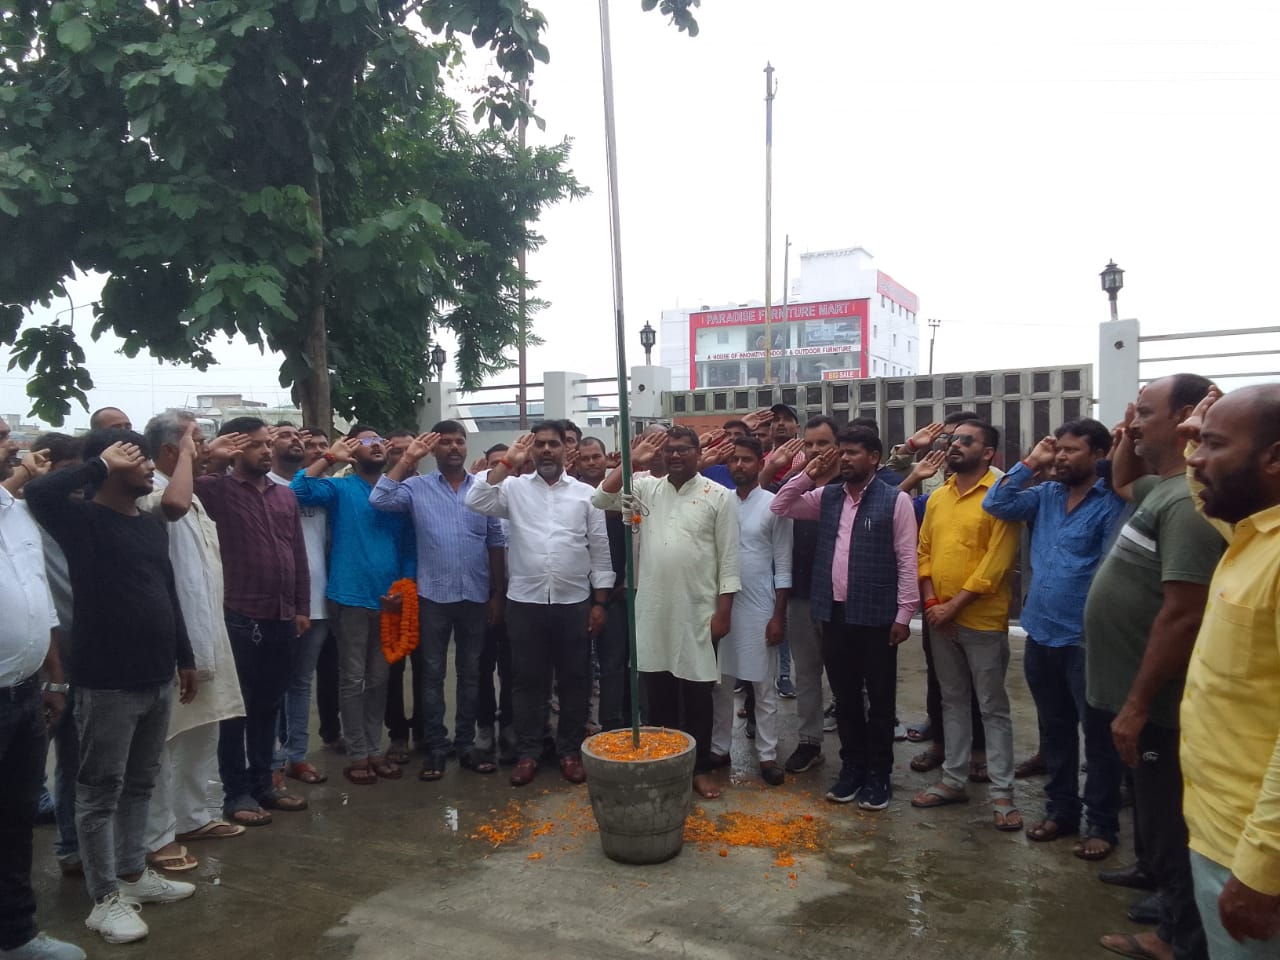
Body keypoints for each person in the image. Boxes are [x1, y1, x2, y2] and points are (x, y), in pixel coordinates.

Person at [26, 431, 198, 945]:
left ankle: (132, 872)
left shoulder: (148, 524)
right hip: (107, 682)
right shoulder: (81, 521)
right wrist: (99, 463)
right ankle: (104, 899)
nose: (149, 470)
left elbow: (167, 590)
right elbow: (40, 493)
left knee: (140, 783)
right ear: (111, 465)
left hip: (156, 675)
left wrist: (185, 656)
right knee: (100, 792)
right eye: (137, 460)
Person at [1089, 374, 1222, 960]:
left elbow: (1183, 613)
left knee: (1170, 819)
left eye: (1146, 412)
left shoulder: (1190, 506)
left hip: (1159, 706)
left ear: (1186, 415)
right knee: (1152, 808)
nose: (1133, 422)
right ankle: (1164, 895)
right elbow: (1120, 480)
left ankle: (1177, 938)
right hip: (1133, 697)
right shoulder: (1163, 488)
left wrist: (1139, 702)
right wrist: (1129, 432)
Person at [982, 419, 1127, 857]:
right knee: (1055, 731)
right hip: (1041, 632)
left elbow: (1110, 568)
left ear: (1098, 455)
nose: (1061, 457)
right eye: (1057, 449)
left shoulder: (1113, 502)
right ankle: (1061, 811)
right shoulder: (1045, 495)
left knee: (1098, 739)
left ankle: (1101, 824)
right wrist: (1030, 462)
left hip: (1086, 640)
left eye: (1071, 450)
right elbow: (997, 502)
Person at [1179, 384, 1280, 958]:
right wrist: (1198, 442)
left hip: (1253, 854)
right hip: (1218, 829)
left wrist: (1262, 869)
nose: (1195, 458)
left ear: (1274, 458)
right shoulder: (1252, 535)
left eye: (1214, 445)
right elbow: (1207, 498)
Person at [772, 426, 918, 809]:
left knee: (880, 700)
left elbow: (907, 559)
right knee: (846, 697)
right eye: (843, 452)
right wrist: (807, 474)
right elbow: (781, 505)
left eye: (853, 452)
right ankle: (852, 767)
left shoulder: (895, 501)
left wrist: (904, 614)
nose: (845, 458)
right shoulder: (828, 496)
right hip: (833, 612)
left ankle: (879, 774)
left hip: (876, 615)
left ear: (874, 457)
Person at [594, 426, 740, 800]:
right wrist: (631, 460)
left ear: (698, 453)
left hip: (698, 611)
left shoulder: (719, 495)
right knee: (658, 695)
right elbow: (600, 498)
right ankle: (666, 764)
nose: (675, 455)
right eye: (669, 450)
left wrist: (723, 613)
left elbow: (729, 560)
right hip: (653, 610)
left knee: (697, 695)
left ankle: (700, 768)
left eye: (683, 449)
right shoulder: (645, 489)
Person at [467, 422, 613, 787]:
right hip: (525, 602)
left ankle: (569, 751)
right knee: (527, 681)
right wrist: (508, 461)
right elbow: (475, 500)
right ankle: (528, 752)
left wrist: (600, 602)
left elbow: (600, 550)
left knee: (575, 681)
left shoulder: (585, 494)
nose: (547, 450)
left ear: (566, 450)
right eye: (540, 445)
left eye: (554, 444)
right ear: (532, 451)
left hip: (573, 602)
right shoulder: (513, 489)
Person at [137, 415, 247, 872]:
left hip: (207, 632)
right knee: (163, 741)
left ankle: (193, 817)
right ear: (170, 450)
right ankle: (157, 836)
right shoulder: (151, 492)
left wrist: (200, 457)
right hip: (172, 637)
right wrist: (190, 454)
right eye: (196, 442)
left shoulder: (192, 490)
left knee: (205, 728)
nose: (205, 449)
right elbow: (173, 505)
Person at [369, 421, 503, 780]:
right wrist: (408, 458)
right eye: (445, 442)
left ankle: (465, 744)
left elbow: (495, 542)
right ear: (434, 449)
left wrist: (496, 594)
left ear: (467, 447)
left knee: (471, 673)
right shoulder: (416, 488)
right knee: (431, 674)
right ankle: (436, 748)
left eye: (459, 441)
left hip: (476, 595)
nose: (454, 447)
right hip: (433, 596)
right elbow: (379, 499)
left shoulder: (483, 489)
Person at [196, 417, 310, 827]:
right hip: (239, 615)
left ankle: (265, 784)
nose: (266, 450)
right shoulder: (215, 490)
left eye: (267, 444)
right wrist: (213, 459)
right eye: (256, 445)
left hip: (282, 616)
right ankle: (237, 793)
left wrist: (301, 606)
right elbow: (183, 490)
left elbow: (297, 553)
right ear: (235, 448)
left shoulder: (284, 496)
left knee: (268, 706)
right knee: (235, 711)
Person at [910, 420, 1023, 831]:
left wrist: (954, 606)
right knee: (952, 700)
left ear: (988, 452)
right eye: (952, 439)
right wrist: (931, 603)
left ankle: (1002, 794)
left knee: (992, 707)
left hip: (981, 620)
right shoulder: (939, 496)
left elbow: (997, 562)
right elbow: (923, 551)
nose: (954, 445)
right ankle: (953, 781)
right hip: (939, 618)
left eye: (965, 440)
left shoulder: (1002, 495)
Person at [0, 429, 85, 960]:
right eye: (0, 435)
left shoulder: (17, 514)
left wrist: (53, 676)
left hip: (26, 690)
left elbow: (39, 600)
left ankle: (15, 935)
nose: (11, 441)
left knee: (14, 825)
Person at [293, 426, 413, 785]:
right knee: (353, 677)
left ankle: (375, 749)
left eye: (379, 441)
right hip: (349, 596)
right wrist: (330, 457)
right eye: (365, 441)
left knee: (380, 678)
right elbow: (299, 490)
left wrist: (405, 587)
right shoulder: (340, 488)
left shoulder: (398, 494)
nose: (375, 445)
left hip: (389, 599)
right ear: (352, 451)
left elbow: (409, 546)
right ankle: (358, 752)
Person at [710, 437, 792, 785]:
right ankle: (719, 748)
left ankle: (767, 754)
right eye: (734, 460)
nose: (739, 465)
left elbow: (783, 566)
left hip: (761, 606)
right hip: (722, 605)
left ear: (761, 463)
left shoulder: (775, 505)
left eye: (746, 459)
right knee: (720, 683)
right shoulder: (719, 502)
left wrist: (778, 616)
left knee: (763, 685)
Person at [267, 423, 330, 786]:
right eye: (289, 437)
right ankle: (271, 759)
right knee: (272, 683)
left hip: (317, 600)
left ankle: (297, 757)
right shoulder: (266, 485)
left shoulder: (321, 488)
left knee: (301, 683)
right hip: (278, 602)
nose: (299, 444)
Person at [575, 437, 631, 734]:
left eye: (596, 456)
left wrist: (626, 579)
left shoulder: (623, 492)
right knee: (576, 663)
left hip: (616, 592)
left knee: (614, 662)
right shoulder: (571, 494)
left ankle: (612, 726)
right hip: (577, 592)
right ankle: (580, 722)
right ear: (577, 462)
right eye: (585, 458)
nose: (592, 462)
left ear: (606, 459)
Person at [474, 443, 516, 762]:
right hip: (482, 594)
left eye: (506, 464)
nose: (500, 469)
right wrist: (493, 593)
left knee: (514, 667)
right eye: (494, 464)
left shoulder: (519, 498)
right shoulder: (477, 502)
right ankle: (485, 726)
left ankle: (511, 724)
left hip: (517, 595)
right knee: (482, 665)